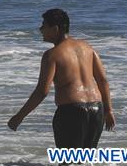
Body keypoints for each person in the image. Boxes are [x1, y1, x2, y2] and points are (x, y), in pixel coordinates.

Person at [7, 8, 116, 148]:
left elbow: (42, 91)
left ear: (55, 29)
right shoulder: (88, 48)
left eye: (44, 25)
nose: (40, 29)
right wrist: (109, 110)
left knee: (68, 164)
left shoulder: (52, 55)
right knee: (86, 165)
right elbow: (103, 81)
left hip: (72, 112)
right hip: (97, 109)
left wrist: (19, 117)